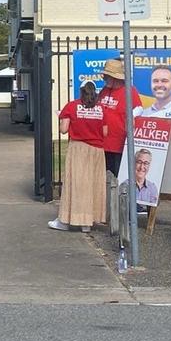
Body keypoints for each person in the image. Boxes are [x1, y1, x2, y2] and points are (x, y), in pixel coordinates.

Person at [49, 80, 107, 232]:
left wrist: (60, 117)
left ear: (81, 91)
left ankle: (66, 219)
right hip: (97, 150)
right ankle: (87, 222)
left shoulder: (72, 106)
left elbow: (63, 130)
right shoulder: (101, 109)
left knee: (75, 184)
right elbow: (105, 132)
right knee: (93, 184)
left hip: (79, 148)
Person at [95, 58, 138, 176]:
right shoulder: (104, 90)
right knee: (103, 176)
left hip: (119, 142)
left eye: (107, 76)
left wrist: (132, 116)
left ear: (116, 78)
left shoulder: (129, 91)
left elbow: (139, 108)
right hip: (102, 142)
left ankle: (118, 195)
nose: (104, 79)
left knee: (117, 175)